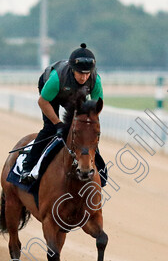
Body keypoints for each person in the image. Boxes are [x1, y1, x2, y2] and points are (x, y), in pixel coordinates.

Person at [19, 43, 105, 185]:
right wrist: (58, 124)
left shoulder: (96, 81)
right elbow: (42, 102)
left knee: (87, 134)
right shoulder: (56, 79)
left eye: (87, 74)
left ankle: (99, 171)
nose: (84, 78)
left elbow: (95, 110)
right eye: (80, 73)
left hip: (76, 95)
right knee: (50, 129)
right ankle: (27, 168)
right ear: (72, 70)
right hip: (52, 95)